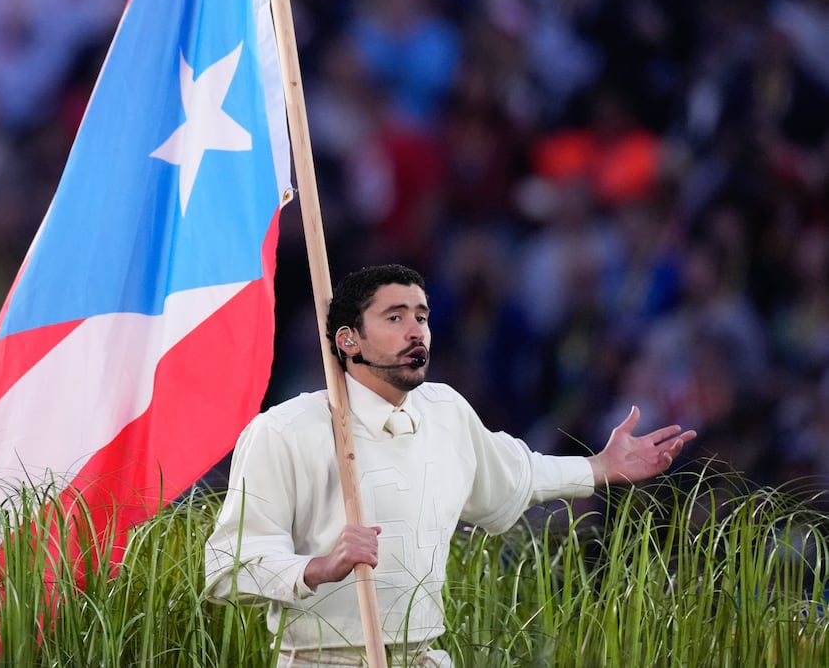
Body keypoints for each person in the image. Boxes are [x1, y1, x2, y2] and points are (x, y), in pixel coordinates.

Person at [204, 264, 696, 667]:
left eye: (422, 316)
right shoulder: (284, 429)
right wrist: (319, 567)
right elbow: (226, 567)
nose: (416, 330)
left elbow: (515, 472)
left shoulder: (446, 410)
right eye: (395, 318)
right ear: (348, 340)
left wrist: (597, 468)